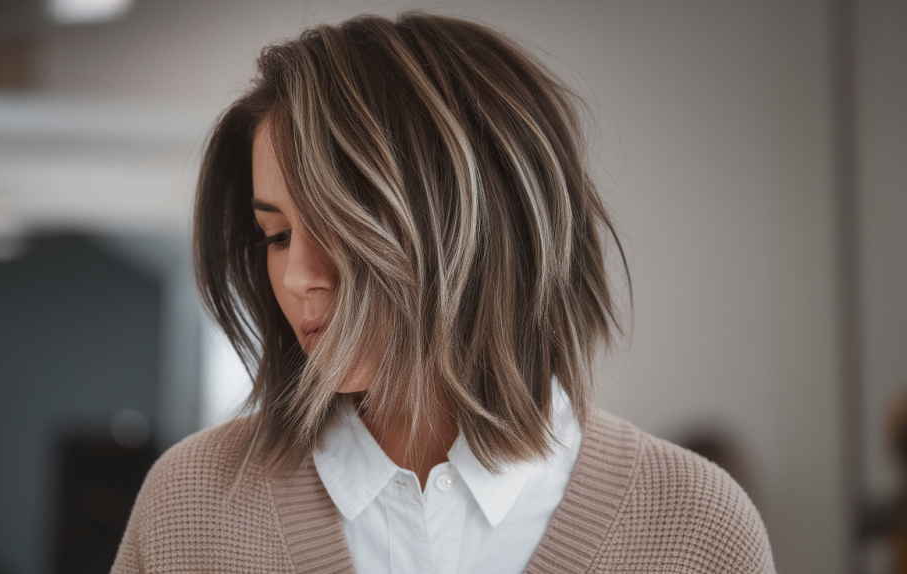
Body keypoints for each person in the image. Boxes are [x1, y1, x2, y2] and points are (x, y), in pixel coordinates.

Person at [112, 12, 775, 574]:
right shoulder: (190, 512)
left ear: (475, 224)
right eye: (277, 235)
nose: (294, 277)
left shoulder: (696, 531)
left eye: (339, 225)